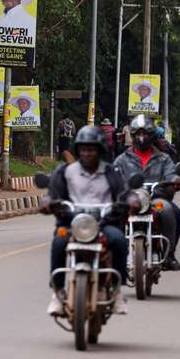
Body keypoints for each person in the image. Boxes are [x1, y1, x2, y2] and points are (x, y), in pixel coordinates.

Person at [41, 125, 132, 315]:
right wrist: (48, 202)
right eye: (83, 149)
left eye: (91, 149)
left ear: (100, 150)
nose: (87, 153)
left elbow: (125, 192)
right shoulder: (65, 171)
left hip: (104, 223)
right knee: (59, 241)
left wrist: (131, 201)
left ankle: (116, 292)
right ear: (78, 150)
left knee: (119, 241)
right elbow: (52, 193)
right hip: (71, 223)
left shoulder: (111, 171)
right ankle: (58, 293)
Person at [113, 114, 180, 271]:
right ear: (132, 135)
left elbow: (171, 173)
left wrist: (175, 180)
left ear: (152, 136)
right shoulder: (122, 159)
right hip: (130, 199)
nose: (141, 138)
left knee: (174, 212)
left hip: (156, 199)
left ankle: (169, 255)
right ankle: (115, 253)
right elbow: (114, 176)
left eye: (145, 133)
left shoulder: (163, 158)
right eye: (138, 134)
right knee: (112, 212)